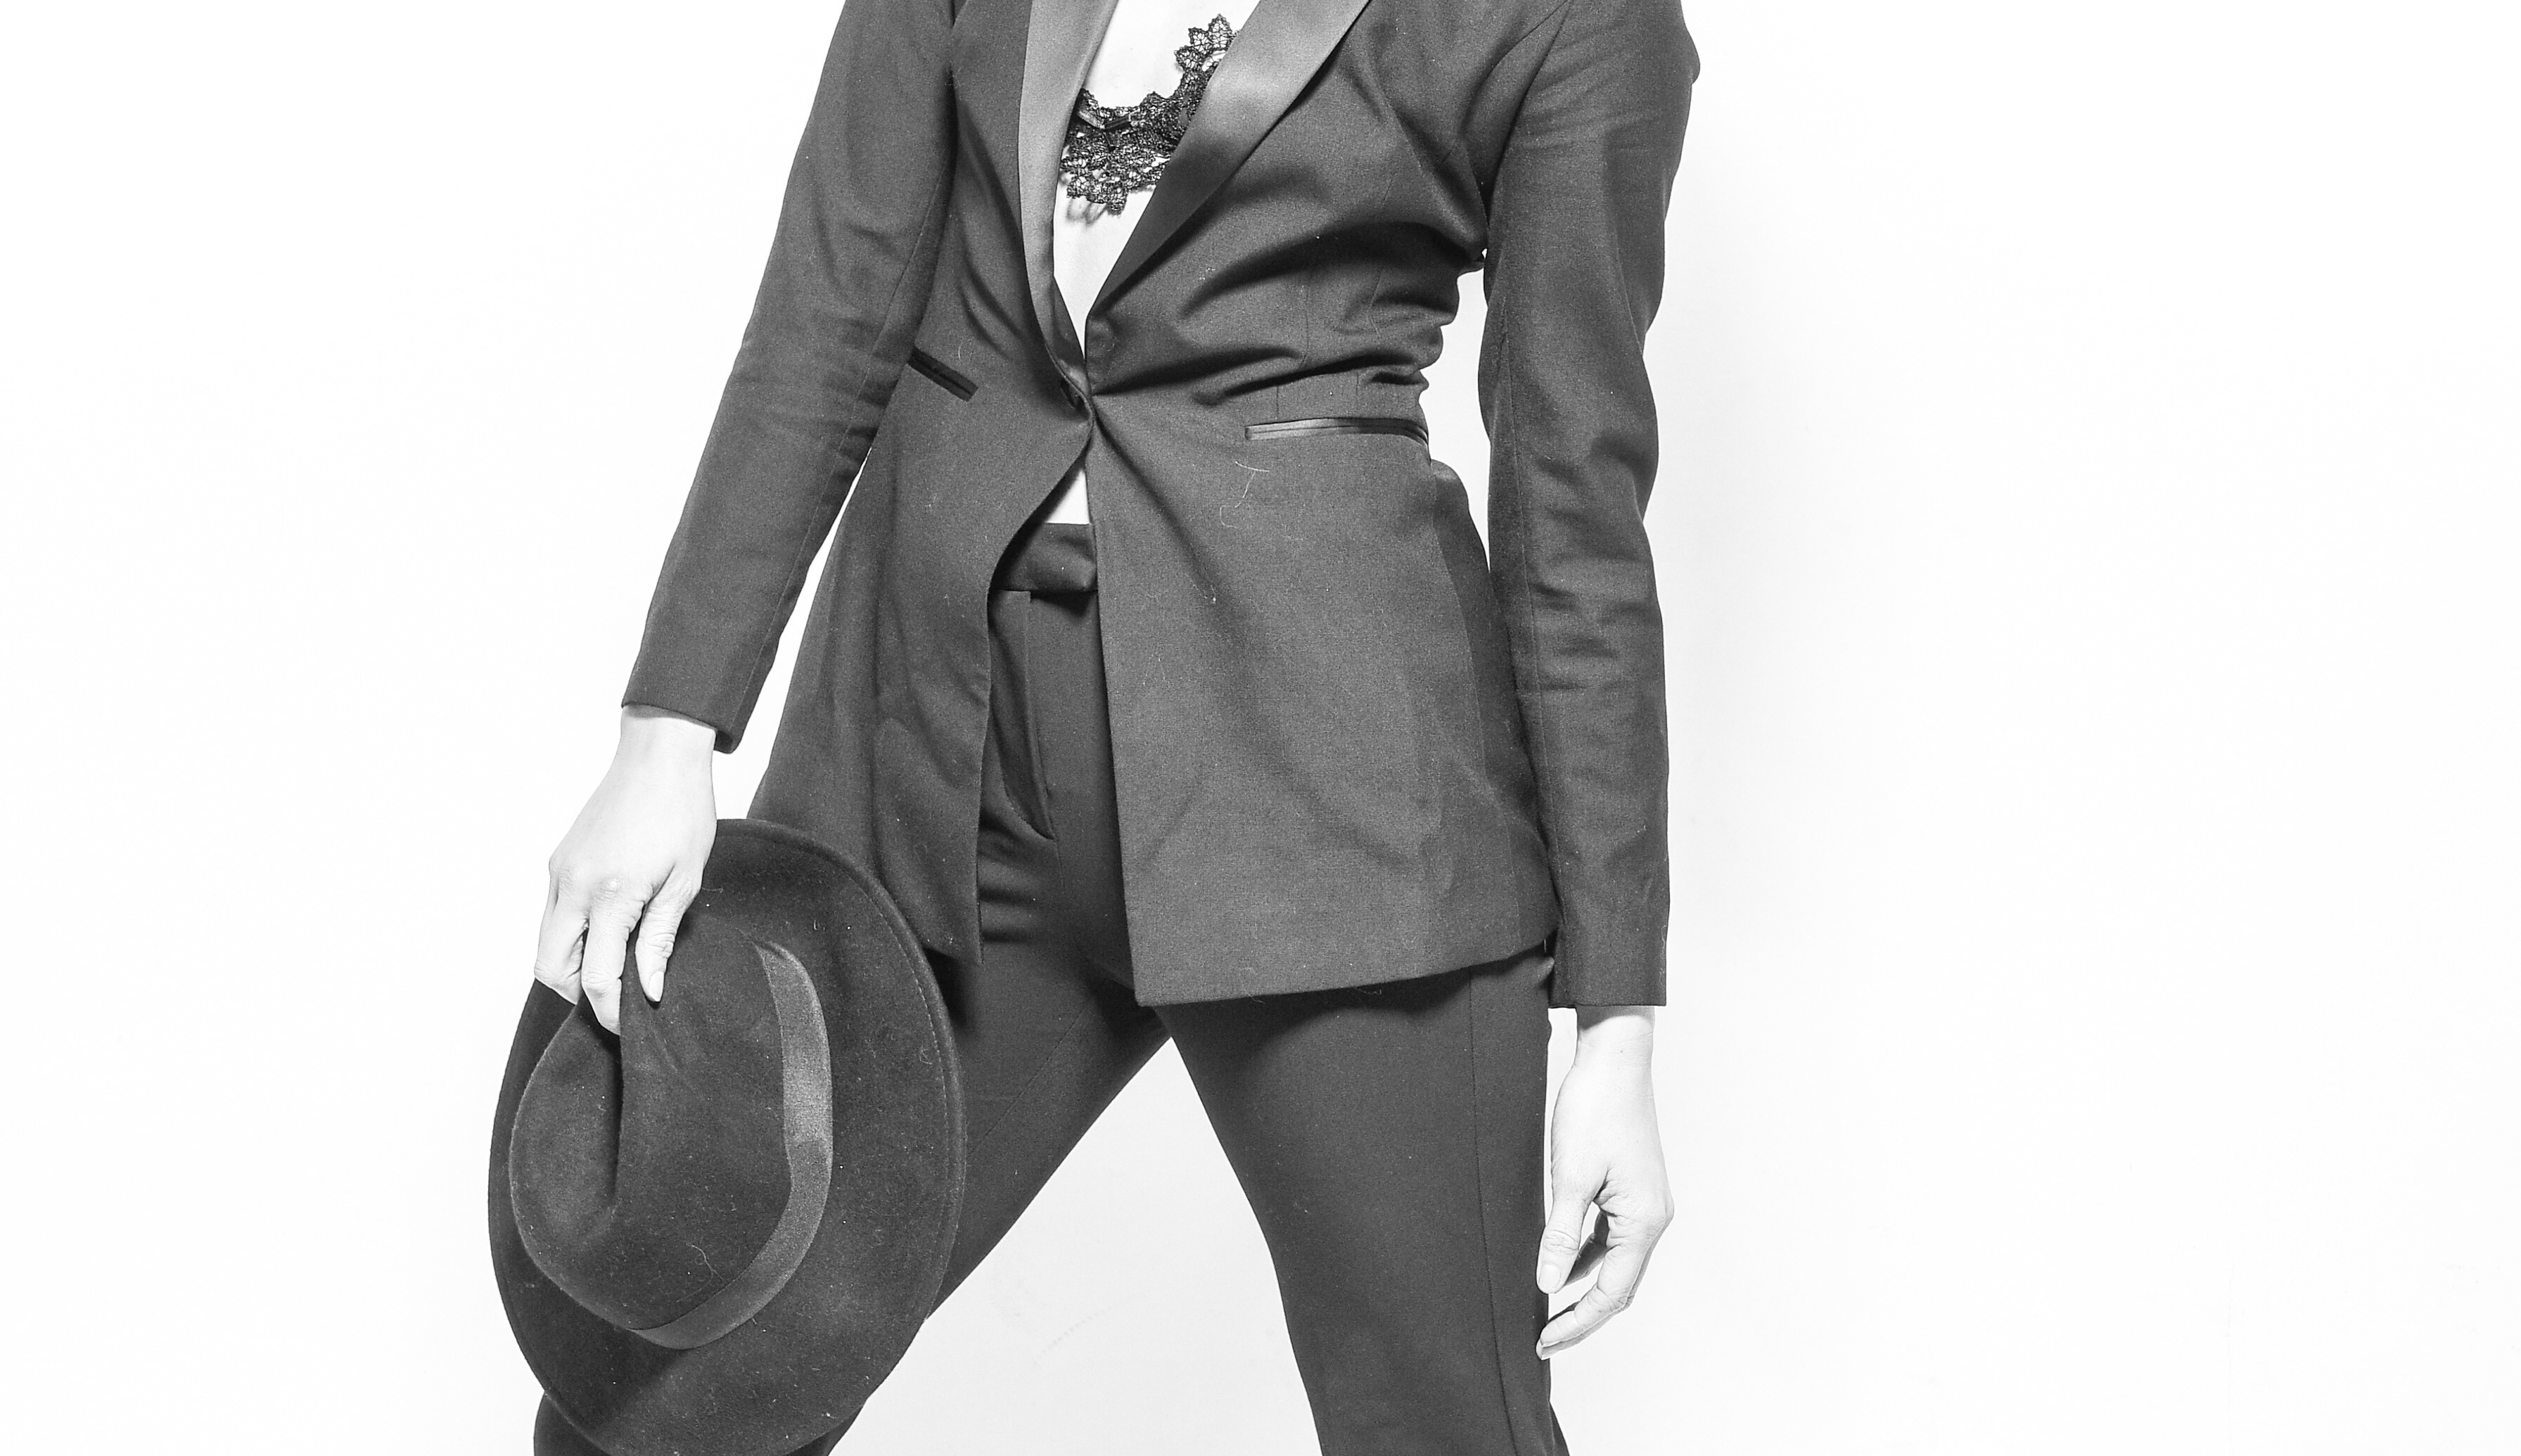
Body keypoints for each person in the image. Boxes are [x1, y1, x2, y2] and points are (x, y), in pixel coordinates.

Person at [529, 0, 1698, 1449]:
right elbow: (825, 315)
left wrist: (1617, 1023)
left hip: (1336, 809)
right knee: (662, 1397)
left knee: (1442, 1422)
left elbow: (1572, 506)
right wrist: (667, 730)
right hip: (939, 757)